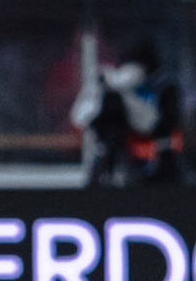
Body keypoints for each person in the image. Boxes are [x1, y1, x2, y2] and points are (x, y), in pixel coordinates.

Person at [72, 40, 183, 185]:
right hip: (114, 158)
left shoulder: (162, 87)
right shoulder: (109, 89)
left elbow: (150, 124)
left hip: (154, 162)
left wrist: (128, 94)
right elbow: (80, 118)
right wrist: (103, 88)